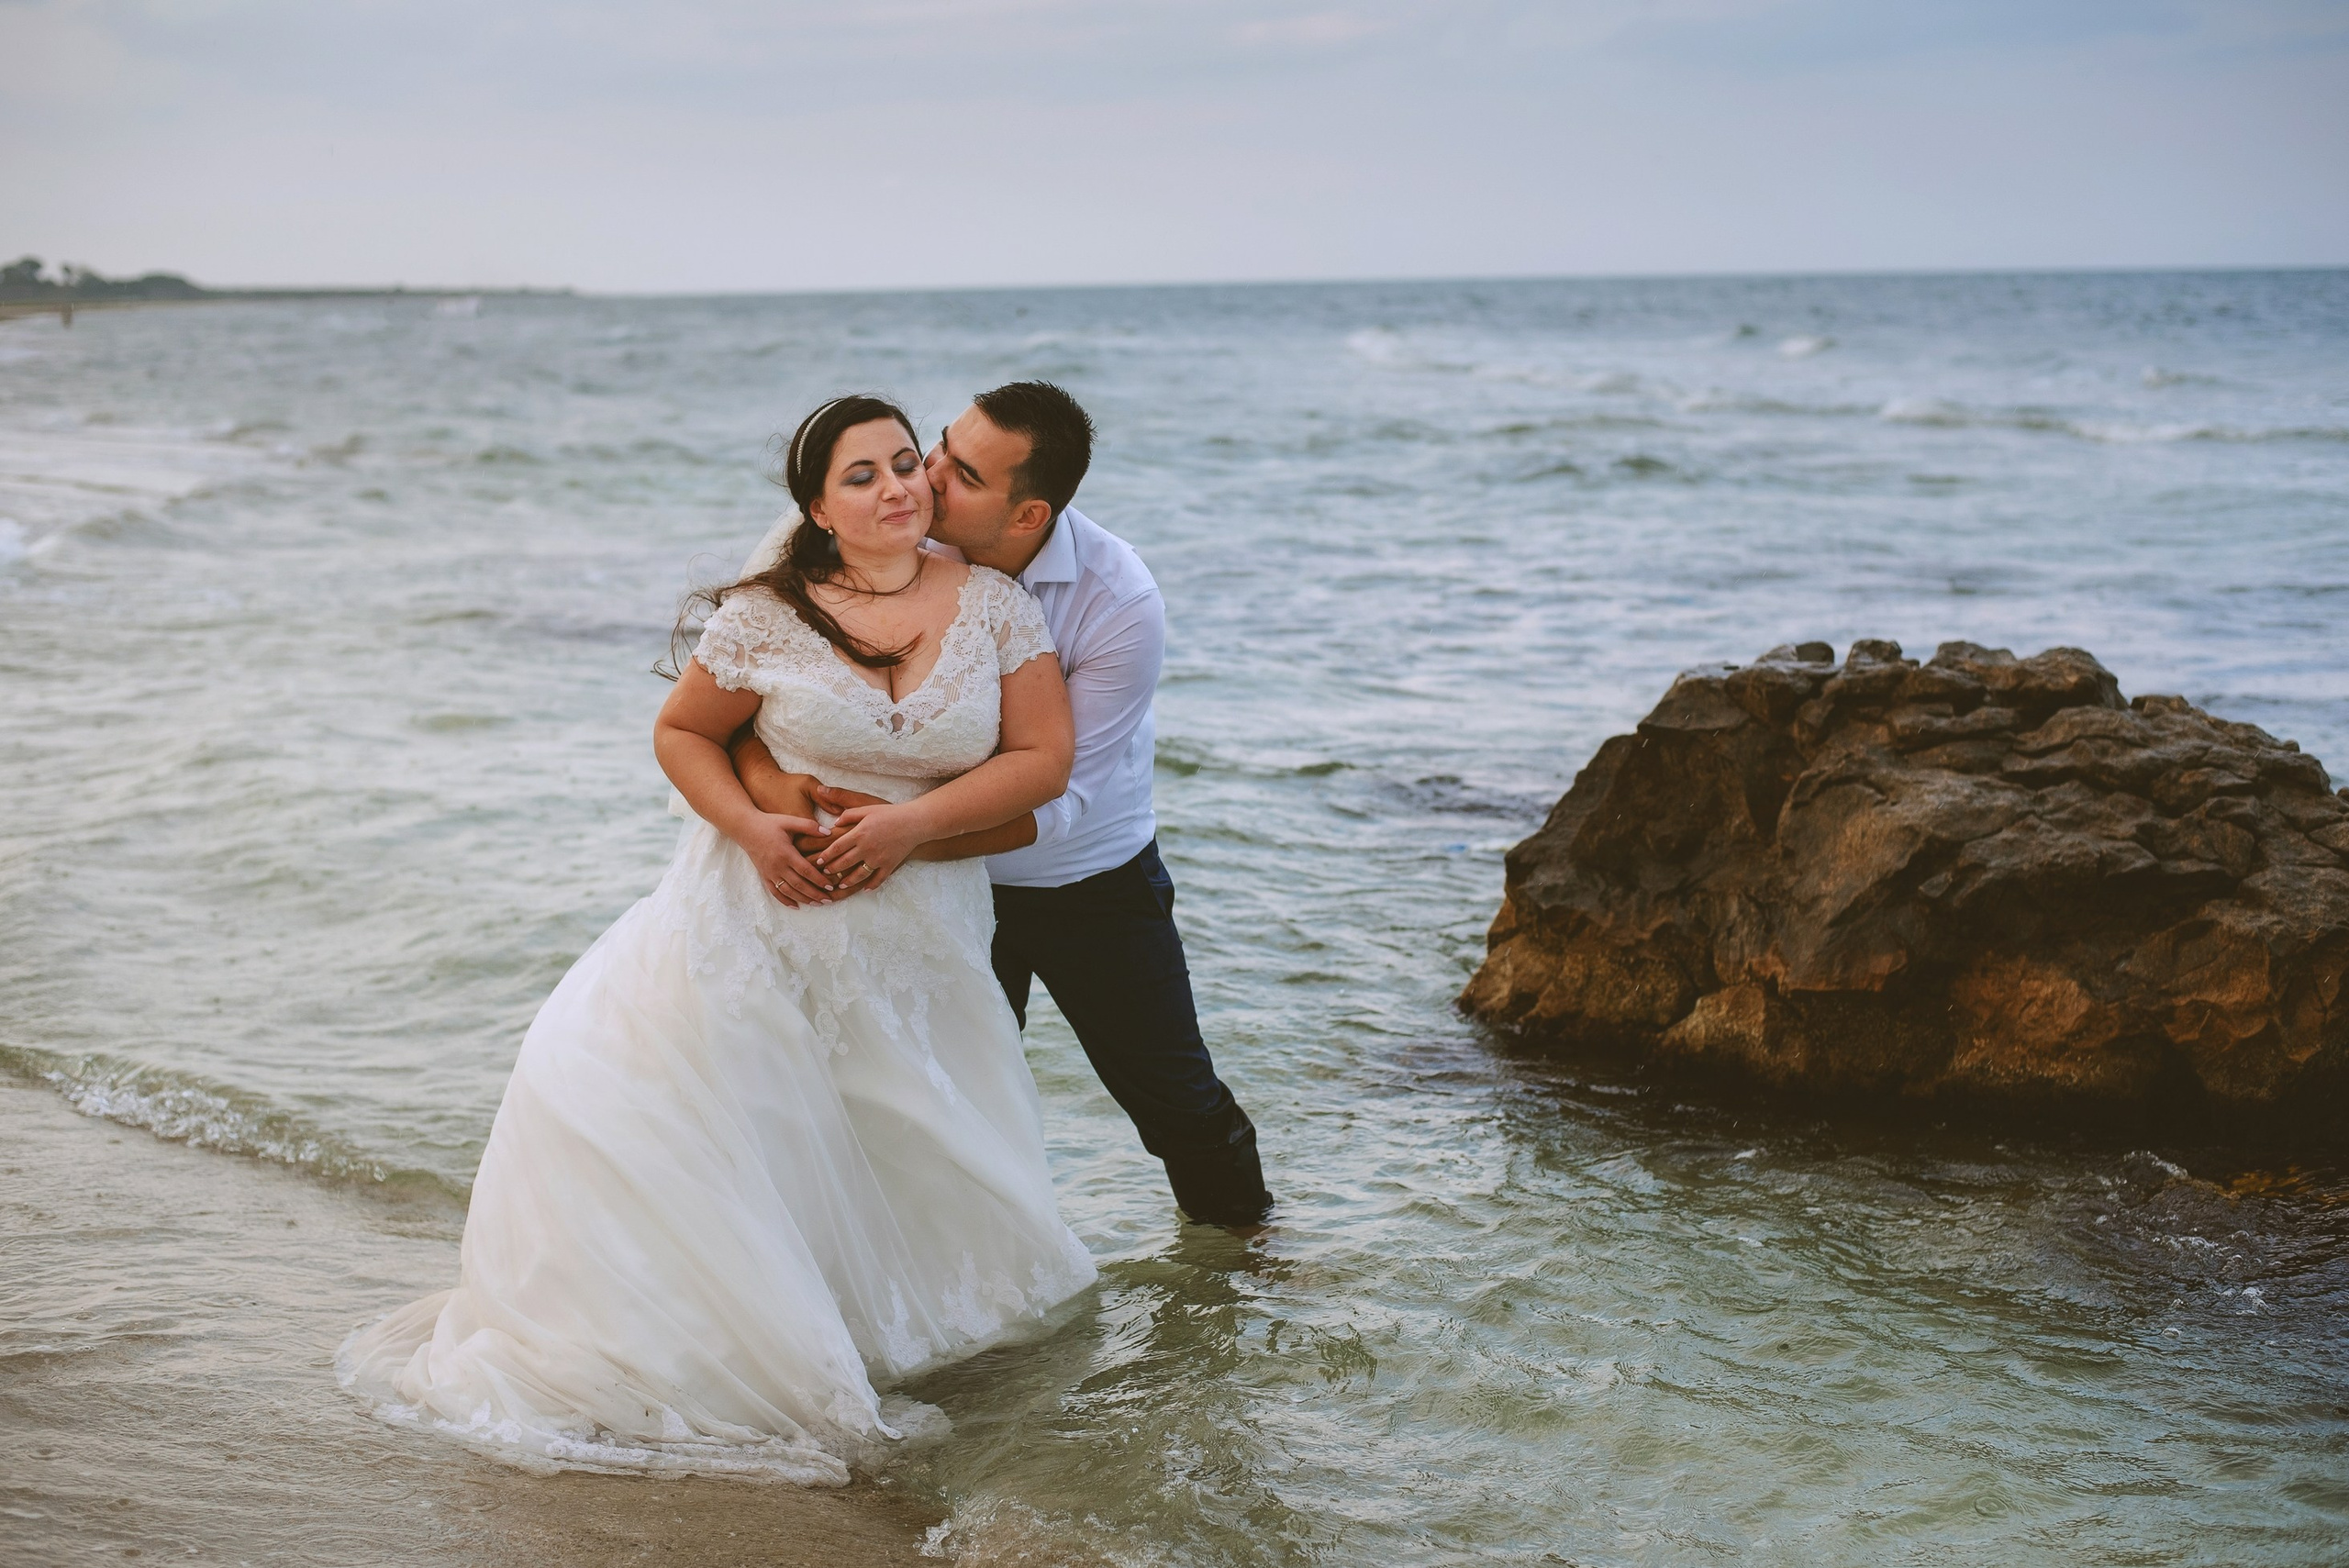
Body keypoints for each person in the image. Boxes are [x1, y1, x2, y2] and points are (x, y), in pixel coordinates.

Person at [340, 395, 1097, 1484]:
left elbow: (1042, 760)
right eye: (860, 475)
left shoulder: (994, 605)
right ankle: (743, 1346)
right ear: (816, 508)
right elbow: (685, 730)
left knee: (907, 1128)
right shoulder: (764, 614)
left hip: (921, 921)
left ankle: (891, 1337)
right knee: (751, 1121)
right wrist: (752, 823)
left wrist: (910, 824)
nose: (895, 486)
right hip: (756, 909)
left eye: (903, 463)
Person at [731, 382, 1274, 1229]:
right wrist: (782, 799)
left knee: (1175, 1098)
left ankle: (1247, 1266)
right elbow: (756, 700)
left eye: (965, 473)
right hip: (919, 888)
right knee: (930, 1106)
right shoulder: (891, 539)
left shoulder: (1117, 602)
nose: (930, 476)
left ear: (1028, 516)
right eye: (941, 445)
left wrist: (901, 834)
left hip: (1081, 882)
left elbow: (1063, 798)